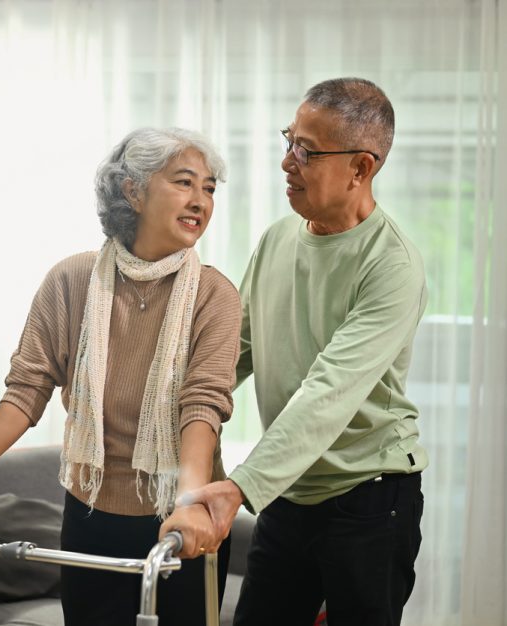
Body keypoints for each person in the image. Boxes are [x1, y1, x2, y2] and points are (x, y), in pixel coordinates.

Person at [0, 127, 242, 626]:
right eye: (184, 182)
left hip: (178, 522)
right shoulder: (71, 281)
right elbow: (25, 392)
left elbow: (202, 408)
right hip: (90, 513)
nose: (200, 200)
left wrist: (192, 503)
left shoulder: (214, 295)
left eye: (210, 188)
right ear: (132, 190)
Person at [171, 78, 428, 626]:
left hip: (370, 497)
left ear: (361, 168)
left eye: (306, 150)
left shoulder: (392, 265)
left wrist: (241, 485)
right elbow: (232, 352)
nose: (288, 161)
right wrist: (160, 405)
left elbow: (327, 393)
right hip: (289, 490)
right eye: (289, 140)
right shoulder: (277, 240)